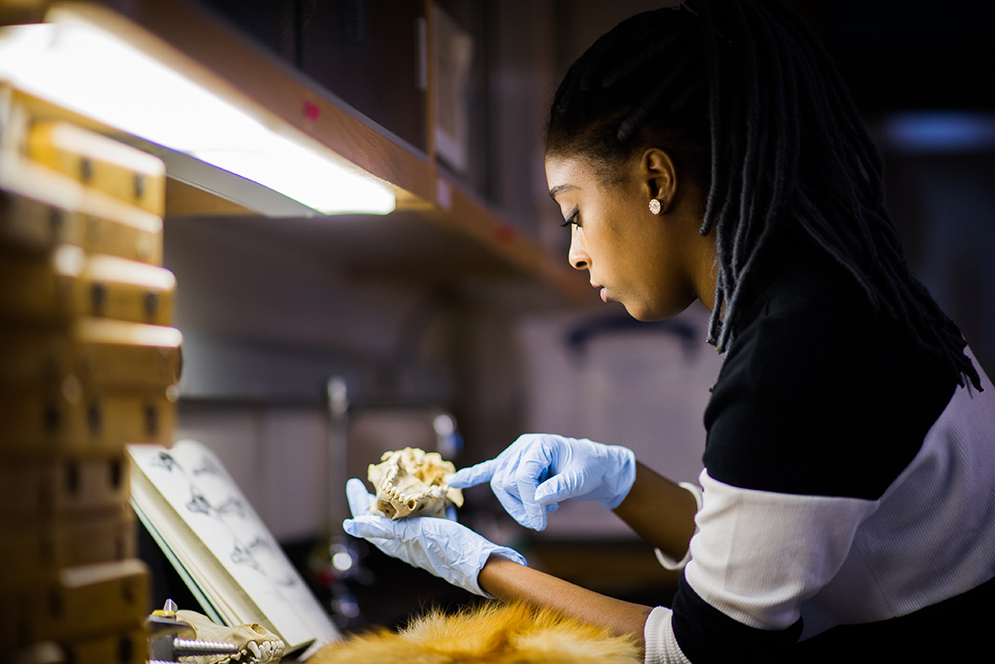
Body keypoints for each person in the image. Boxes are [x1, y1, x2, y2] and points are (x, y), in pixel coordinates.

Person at [343, 1, 995, 661]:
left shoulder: (796, 356)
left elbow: (702, 649)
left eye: (574, 211)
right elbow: (762, 543)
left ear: (655, 177)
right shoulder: (835, 304)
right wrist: (620, 483)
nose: (574, 251)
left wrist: (481, 567)